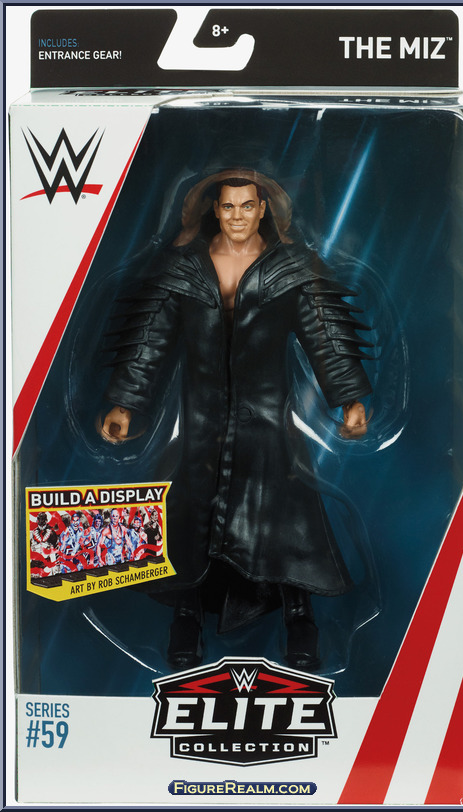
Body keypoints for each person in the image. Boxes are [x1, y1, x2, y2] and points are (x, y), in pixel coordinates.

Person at [101, 169, 372, 671]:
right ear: (215, 209)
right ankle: (185, 617)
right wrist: (126, 402)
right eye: (228, 206)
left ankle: (300, 617)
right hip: (199, 414)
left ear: (263, 209)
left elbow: (324, 334)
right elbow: (151, 340)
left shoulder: (290, 267)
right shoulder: (185, 267)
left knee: (287, 511)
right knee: (187, 514)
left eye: (247, 206)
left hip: (268, 415)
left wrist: (349, 397)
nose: (238, 216)